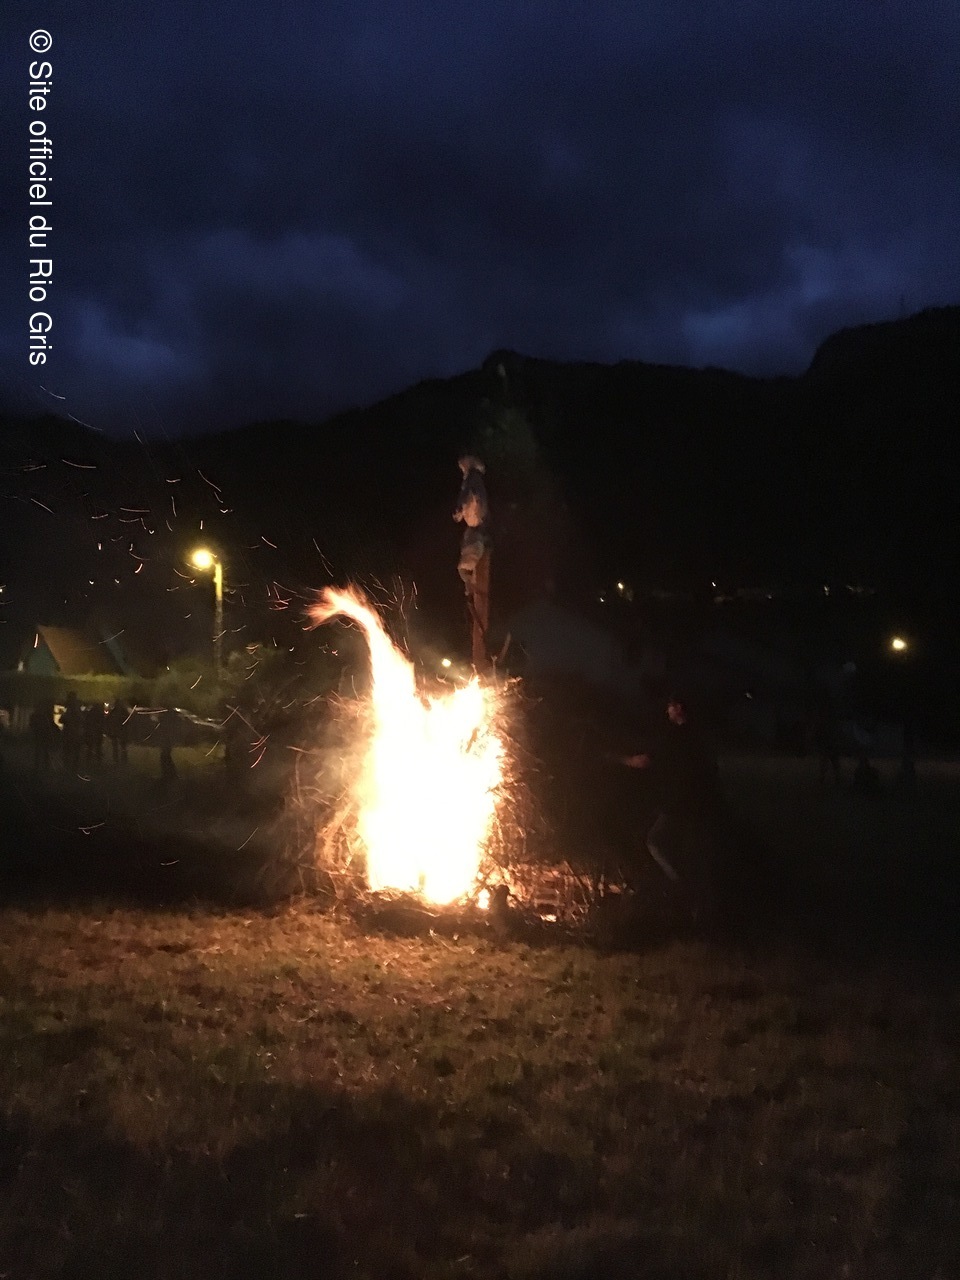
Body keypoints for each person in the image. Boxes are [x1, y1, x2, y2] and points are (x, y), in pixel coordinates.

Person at [620, 695, 719, 912]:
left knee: (655, 840)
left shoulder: (674, 736)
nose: (668, 711)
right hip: (695, 801)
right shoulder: (696, 735)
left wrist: (618, 760)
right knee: (686, 847)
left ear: (679, 708)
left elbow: (645, 761)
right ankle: (692, 897)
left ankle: (682, 888)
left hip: (679, 801)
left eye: (671, 707)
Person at [29, 701, 58, 773]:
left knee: (40, 750)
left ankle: (39, 766)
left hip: (40, 734)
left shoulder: (36, 715)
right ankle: (44, 766)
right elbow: (51, 724)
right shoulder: (45, 715)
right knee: (44, 750)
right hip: (44, 734)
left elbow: (31, 724)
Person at [60, 692, 83, 773]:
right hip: (76, 732)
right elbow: (81, 719)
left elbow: (63, 719)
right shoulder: (77, 708)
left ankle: (68, 767)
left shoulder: (69, 708)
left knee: (68, 751)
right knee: (75, 751)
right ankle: (73, 767)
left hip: (69, 732)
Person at [106, 698, 130, 765]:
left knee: (117, 746)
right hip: (120, 730)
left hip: (117, 730)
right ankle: (122, 759)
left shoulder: (115, 710)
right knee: (121, 746)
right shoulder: (122, 711)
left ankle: (117, 760)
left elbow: (109, 719)